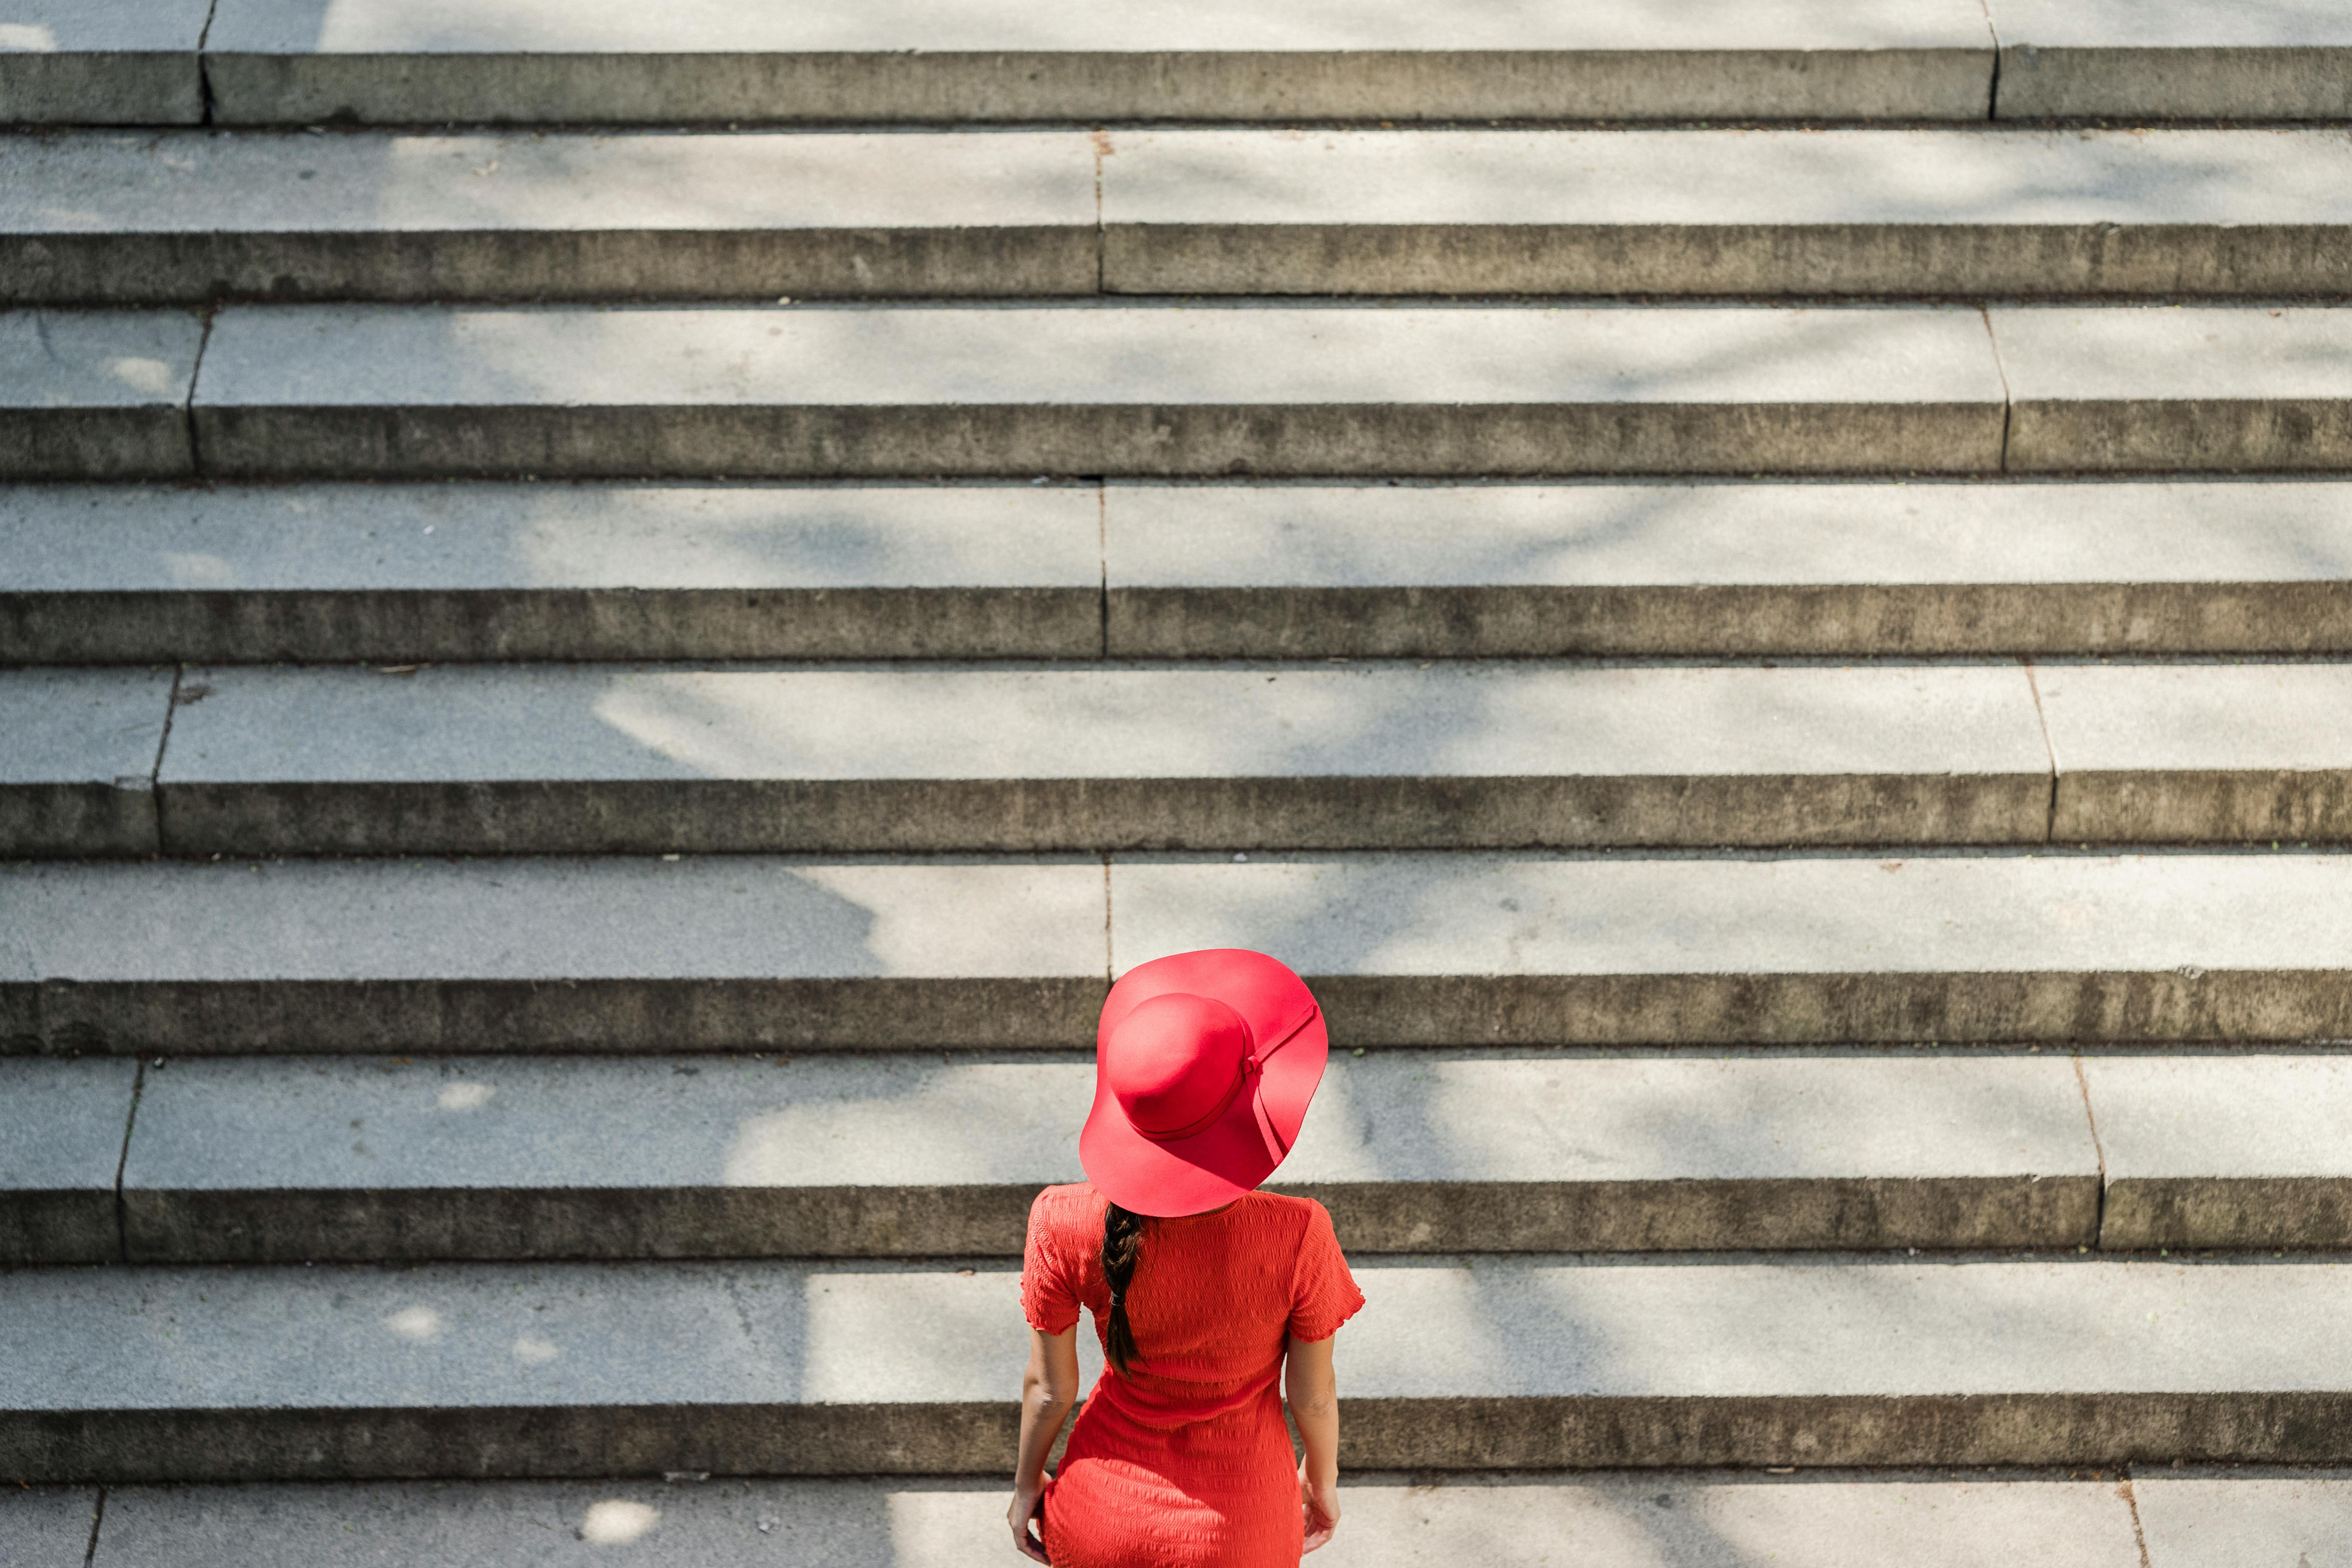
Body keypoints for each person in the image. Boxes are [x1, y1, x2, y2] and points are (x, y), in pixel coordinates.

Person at [1008, 947, 1363, 1567]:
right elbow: (1311, 1395)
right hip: (1242, 1531)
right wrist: (1321, 1482)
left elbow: (1047, 1390)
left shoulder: (1060, 1219)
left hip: (1097, 1521)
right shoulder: (1297, 1231)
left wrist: (1024, 1488)